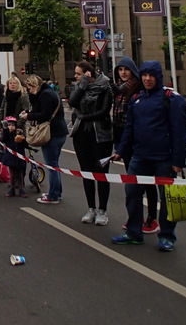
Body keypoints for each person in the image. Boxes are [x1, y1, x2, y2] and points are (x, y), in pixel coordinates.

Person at [111, 61, 186, 251]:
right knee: (132, 194)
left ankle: (167, 236)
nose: (147, 79)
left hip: (164, 159)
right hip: (140, 157)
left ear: (158, 77)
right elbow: (130, 128)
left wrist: (178, 161)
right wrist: (121, 150)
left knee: (167, 199)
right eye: (144, 75)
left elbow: (179, 132)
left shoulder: (171, 98)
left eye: (151, 75)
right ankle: (134, 232)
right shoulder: (137, 99)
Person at [111, 57, 158, 234]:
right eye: (120, 69)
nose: (123, 73)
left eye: (126, 69)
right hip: (123, 136)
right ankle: (135, 217)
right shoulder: (118, 89)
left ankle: (152, 217)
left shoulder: (138, 89)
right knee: (132, 182)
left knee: (147, 180)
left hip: (137, 138)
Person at [68, 61, 113, 225]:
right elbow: (72, 102)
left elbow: (104, 111)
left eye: (78, 74)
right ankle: (91, 208)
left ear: (88, 73)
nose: (75, 76)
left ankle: (102, 210)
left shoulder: (105, 87)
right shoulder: (81, 87)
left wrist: (84, 117)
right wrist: (82, 85)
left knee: (101, 173)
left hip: (101, 136)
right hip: (82, 135)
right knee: (86, 172)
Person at [21, 74, 68, 204]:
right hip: (59, 131)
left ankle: (53, 195)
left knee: (51, 165)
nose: (29, 90)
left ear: (34, 85)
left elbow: (44, 114)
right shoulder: (49, 92)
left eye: (29, 87)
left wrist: (29, 116)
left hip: (51, 132)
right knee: (55, 164)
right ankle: (56, 192)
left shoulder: (46, 95)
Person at [0, 117, 28, 198]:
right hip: (10, 157)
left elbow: (26, 145)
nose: (11, 127)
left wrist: (24, 140)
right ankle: (12, 189)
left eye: (13, 125)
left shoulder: (19, 134)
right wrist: (5, 129)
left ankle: (21, 189)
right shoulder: (7, 135)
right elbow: (4, 138)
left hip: (20, 157)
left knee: (20, 174)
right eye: (9, 125)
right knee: (12, 174)